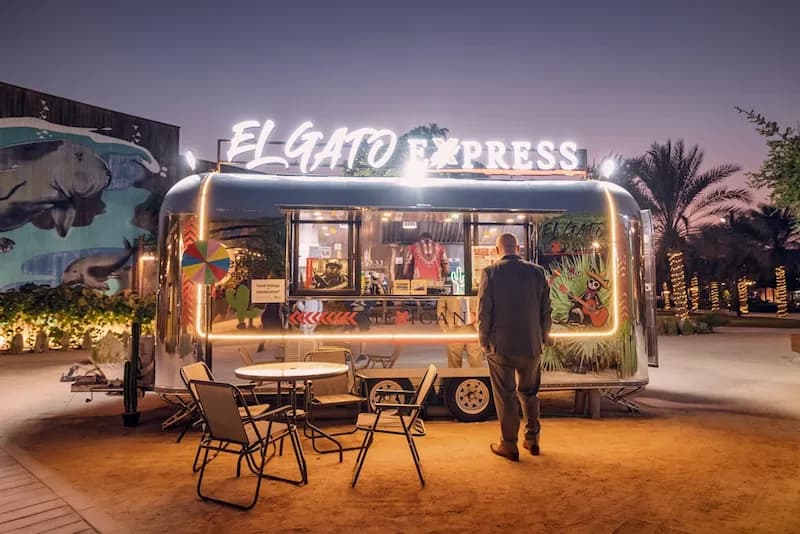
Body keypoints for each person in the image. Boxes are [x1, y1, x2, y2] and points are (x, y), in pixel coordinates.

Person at [477, 233, 551, 461]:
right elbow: (546, 310)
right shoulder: (537, 272)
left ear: (497, 250)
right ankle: (532, 439)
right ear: (517, 248)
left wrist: (483, 339)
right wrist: (543, 337)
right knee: (530, 393)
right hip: (531, 344)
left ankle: (509, 445)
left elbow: (484, 311)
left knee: (506, 395)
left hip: (501, 346)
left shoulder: (490, 273)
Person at [437, 295, 483, 368]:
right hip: (453, 329)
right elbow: (441, 308)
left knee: (476, 361)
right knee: (454, 362)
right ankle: (455, 379)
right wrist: (444, 328)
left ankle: (477, 378)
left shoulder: (475, 285)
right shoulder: (450, 287)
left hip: (473, 329)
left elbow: (485, 304)